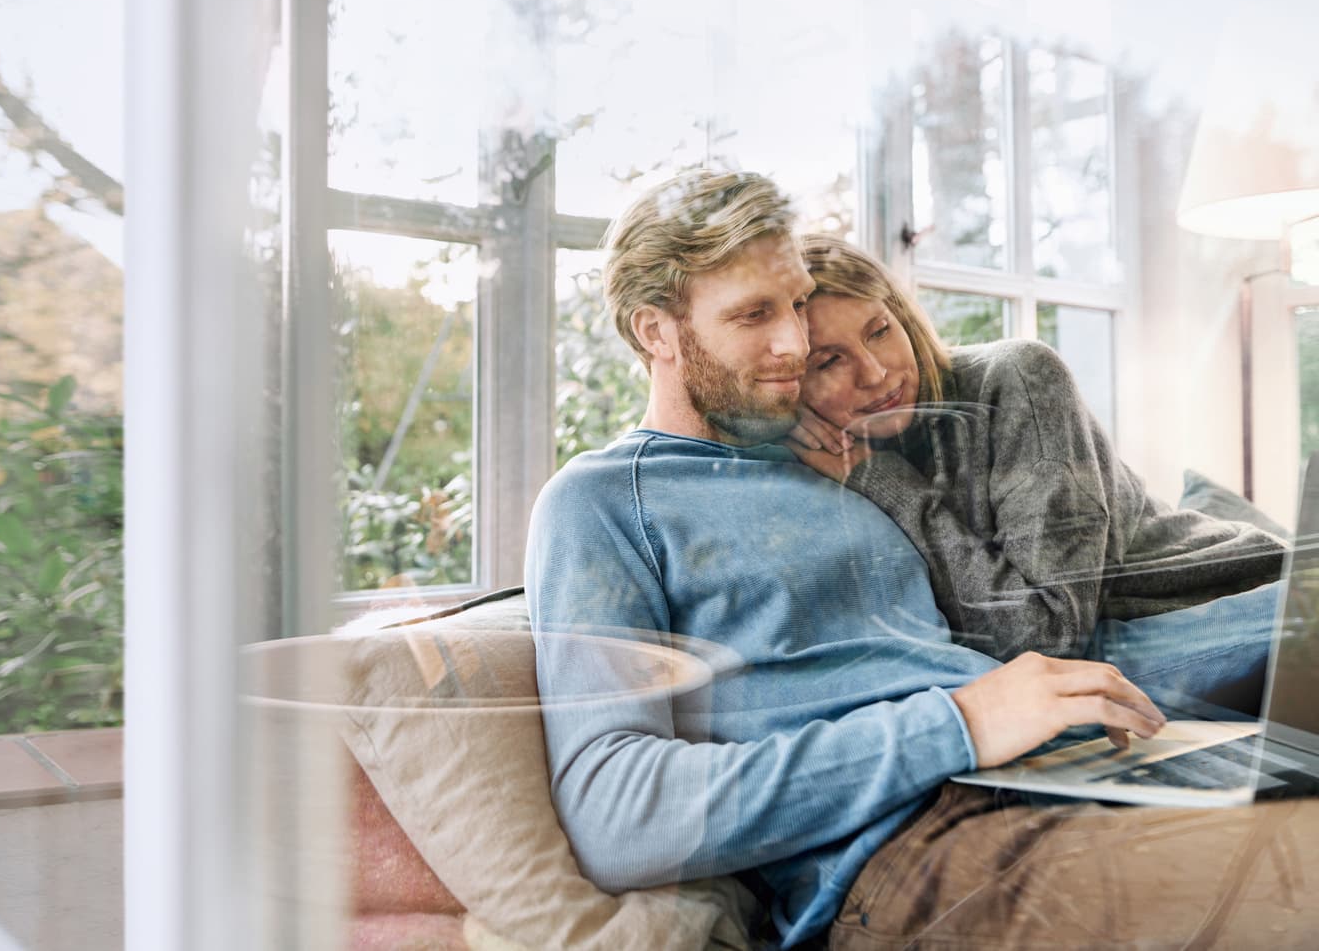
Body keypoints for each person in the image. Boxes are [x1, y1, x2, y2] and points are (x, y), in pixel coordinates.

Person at [526, 167, 1319, 949]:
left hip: (1074, 771)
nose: (794, 343)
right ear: (654, 331)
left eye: (798, 304)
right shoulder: (601, 502)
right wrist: (960, 722)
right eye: (753, 315)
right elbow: (616, 815)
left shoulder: (835, 457)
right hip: (917, 848)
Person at [785, 235, 1286, 664]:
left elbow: (1048, 636)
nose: (875, 372)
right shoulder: (811, 460)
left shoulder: (1016, 378)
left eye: (880, 331)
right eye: (829, 361)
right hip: (1142, 640)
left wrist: (881, 480)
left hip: (1247, 593)